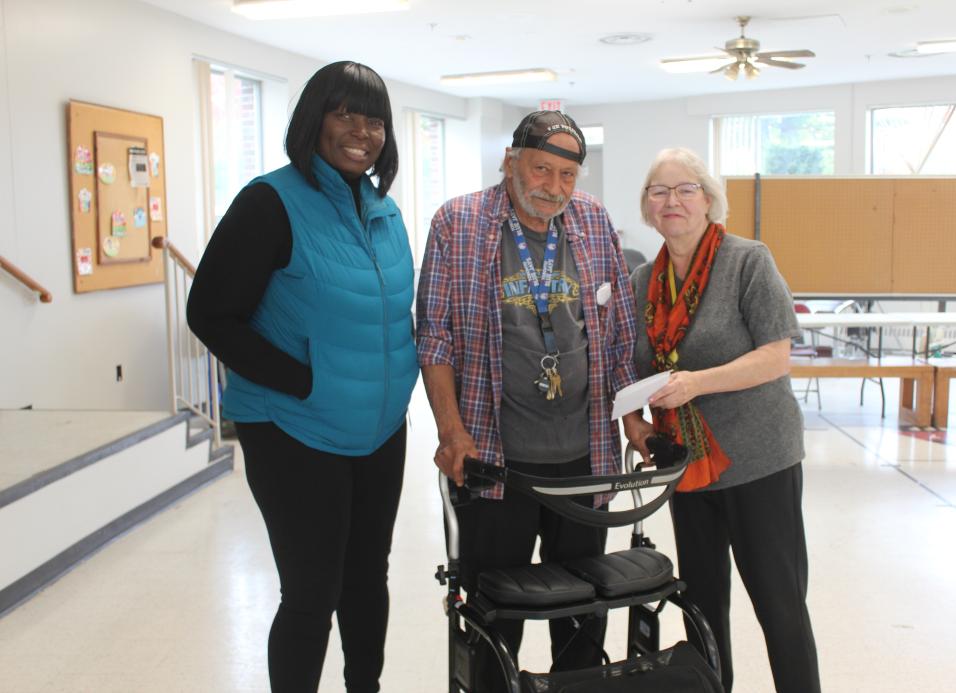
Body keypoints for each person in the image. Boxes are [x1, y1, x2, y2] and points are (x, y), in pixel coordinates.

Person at [186, 61, 418, 693]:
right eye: (345, 113)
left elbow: (391, 312)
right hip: (293, 429)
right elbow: (209, 313)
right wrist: (302, 380)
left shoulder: (383, 211)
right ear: (314, 119)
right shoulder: (269, 203)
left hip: (377, 430)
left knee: (368, 577)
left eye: (374, 120)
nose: (361, 131)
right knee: (313, 590)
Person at [416, 111, 651, 691]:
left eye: (568, 175)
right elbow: (435, 335)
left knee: (582, 621)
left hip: (583, 461)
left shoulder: (594, 221)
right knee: (498, 617)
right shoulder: (459, 222)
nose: (554, 187)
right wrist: (452, 432)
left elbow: (619, 333)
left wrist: (636, 425)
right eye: (542, 169)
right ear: (511, 161)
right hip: (496, 465)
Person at [626, 147, 821, 693]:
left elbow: (776, 356)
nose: (672, 201)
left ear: (709, 200)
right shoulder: (644, 281)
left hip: (759, 460)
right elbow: (634, 367)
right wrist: (633, 423)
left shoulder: (747, 261)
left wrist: (696, 382)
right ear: (647, 206)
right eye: (658, 191)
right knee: (701, 607)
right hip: (687, 468)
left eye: (685, 189)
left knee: (779, 604)